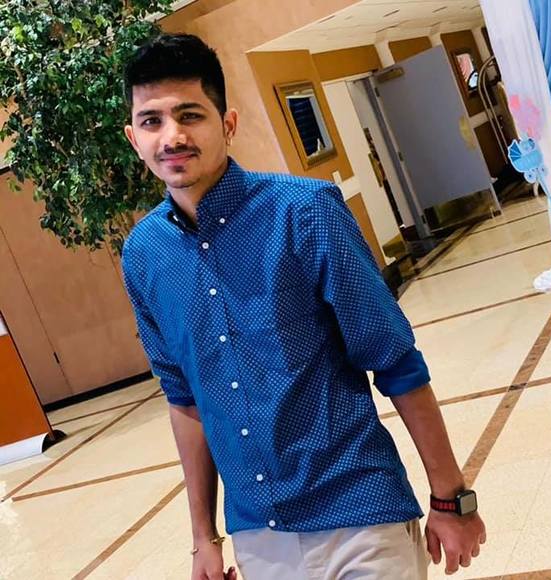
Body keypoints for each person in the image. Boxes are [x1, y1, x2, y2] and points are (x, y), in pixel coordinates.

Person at [121, 33, 486, 580]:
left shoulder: (305, 213)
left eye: (190, 115)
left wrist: (450, 498)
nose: (172, 136)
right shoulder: (143, 255)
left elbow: (394, 358)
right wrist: (203, 538)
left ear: (228, 123)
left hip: (360, 512)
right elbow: (184, 400)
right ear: (134, 138)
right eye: (152, 121)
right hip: (259, 535)